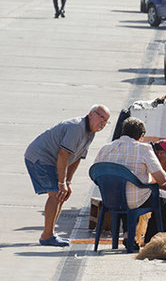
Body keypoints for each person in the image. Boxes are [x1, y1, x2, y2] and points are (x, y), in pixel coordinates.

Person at [24, 105, 111, 247]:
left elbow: (76, 158)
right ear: (90, 114)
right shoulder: (77, 128)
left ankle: (50, 233)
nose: (103, 123)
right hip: (40, 157)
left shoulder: (91, 133)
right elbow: (63, 154)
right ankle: (47, 236)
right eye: (101, 117)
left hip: (54, 161)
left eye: (106, 121)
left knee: (61, 194)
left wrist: (67, 182)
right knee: (56, 194)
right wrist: (61, 182)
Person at [94, 117, 166, 249]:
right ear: (141, 135)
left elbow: (95, 173)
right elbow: (162, 180)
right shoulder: (144, 149)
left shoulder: (105, 148)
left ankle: (128, 234)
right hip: (133, 200)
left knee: (126, 193)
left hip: (110, 199)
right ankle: (152, 241)